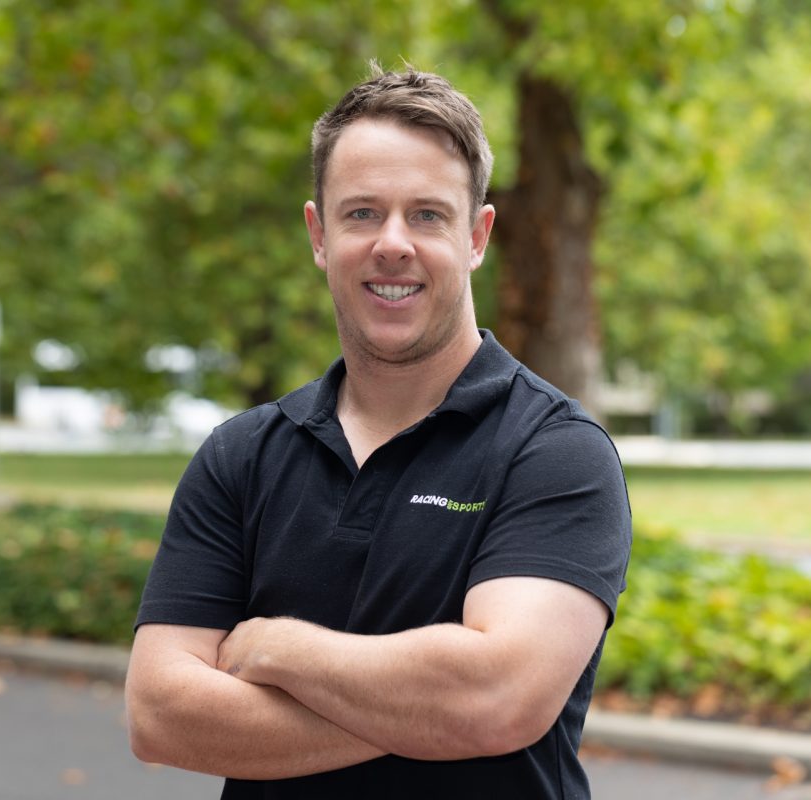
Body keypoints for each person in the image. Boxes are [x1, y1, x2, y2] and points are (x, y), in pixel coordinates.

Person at [125, 64, 632, 800]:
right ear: (318, 234)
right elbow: (159, 716)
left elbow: (499, 698)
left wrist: (278, 646)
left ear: (477, 236)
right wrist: (433, 713)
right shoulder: (241, 456)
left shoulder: (555, 452)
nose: (393, 244)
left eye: (428, 215)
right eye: (362, 213)